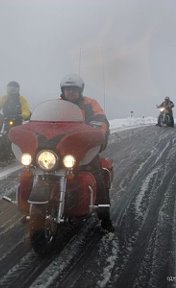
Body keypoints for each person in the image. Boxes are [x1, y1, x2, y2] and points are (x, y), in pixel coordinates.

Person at [60, 73, 114, 232]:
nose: (71, 92)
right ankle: (34, 207)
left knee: (96, 175)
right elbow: (44, 122)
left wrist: (97, 130)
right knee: (37, 170)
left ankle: (105, 217)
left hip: (84, 148)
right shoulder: (57, 105)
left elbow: (101, 119)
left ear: (80, 90)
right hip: (60, 149)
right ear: (63, 90)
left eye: (74, 89)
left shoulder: (90, 103)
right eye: (68, 89)